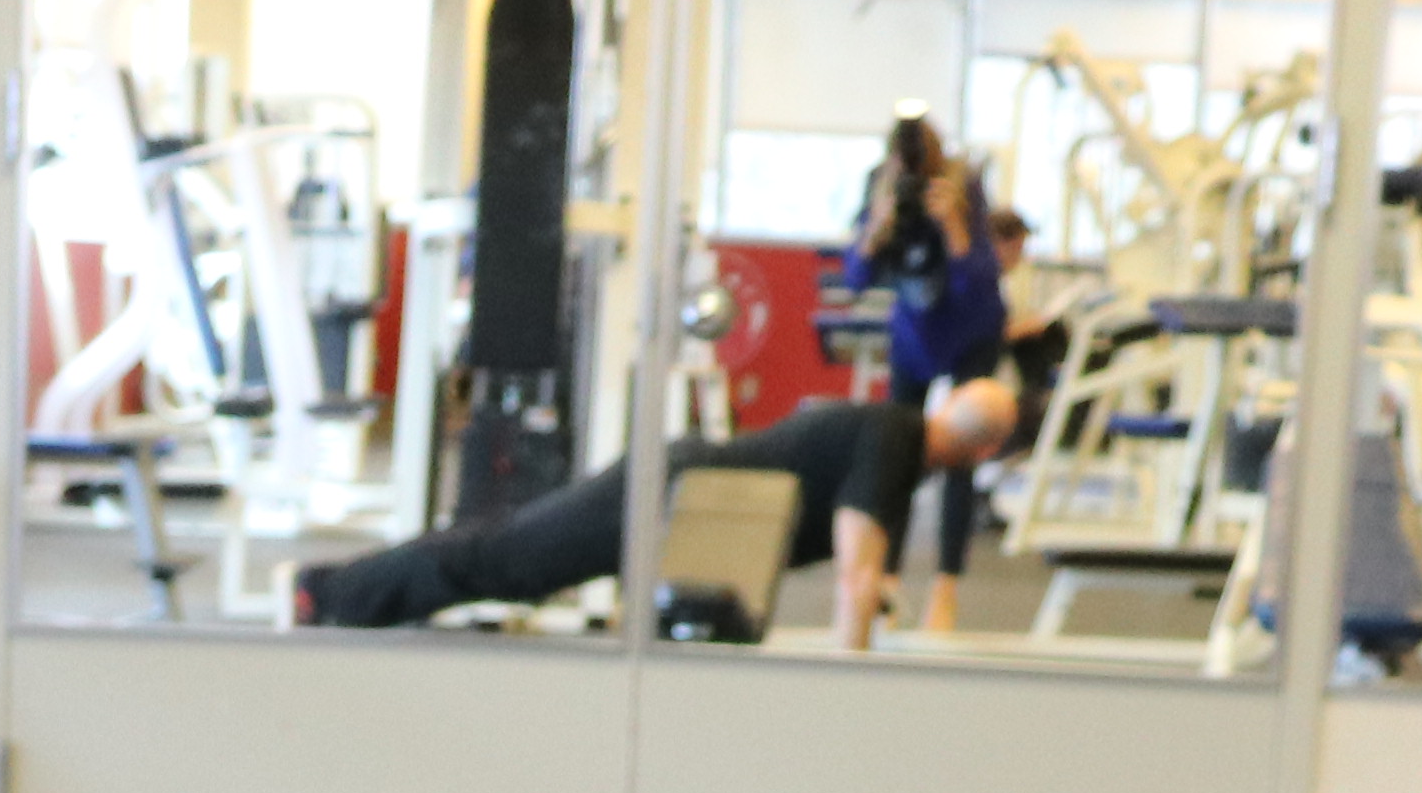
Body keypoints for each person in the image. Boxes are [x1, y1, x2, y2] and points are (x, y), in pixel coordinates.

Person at [292, 372, 1019, 651]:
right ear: (983, 454)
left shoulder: (898, 437)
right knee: (508, 563)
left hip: (695, 521)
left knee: (510, 559)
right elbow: (857, 579)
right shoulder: (894, 444)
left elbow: (871, 573)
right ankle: (326, 593)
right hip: (671, 502)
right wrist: (848, 680)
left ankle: (339, 594)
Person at [834, 123, 1023, 614]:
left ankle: (946, 587)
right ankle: (887, 578)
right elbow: (855, 276)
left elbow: (979, 280)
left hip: (970, 332)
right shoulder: (883, 186)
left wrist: (953, 225)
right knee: (895, 452)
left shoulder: (962, 184)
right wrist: (878, 225)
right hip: (914, 337)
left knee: (960, 456)